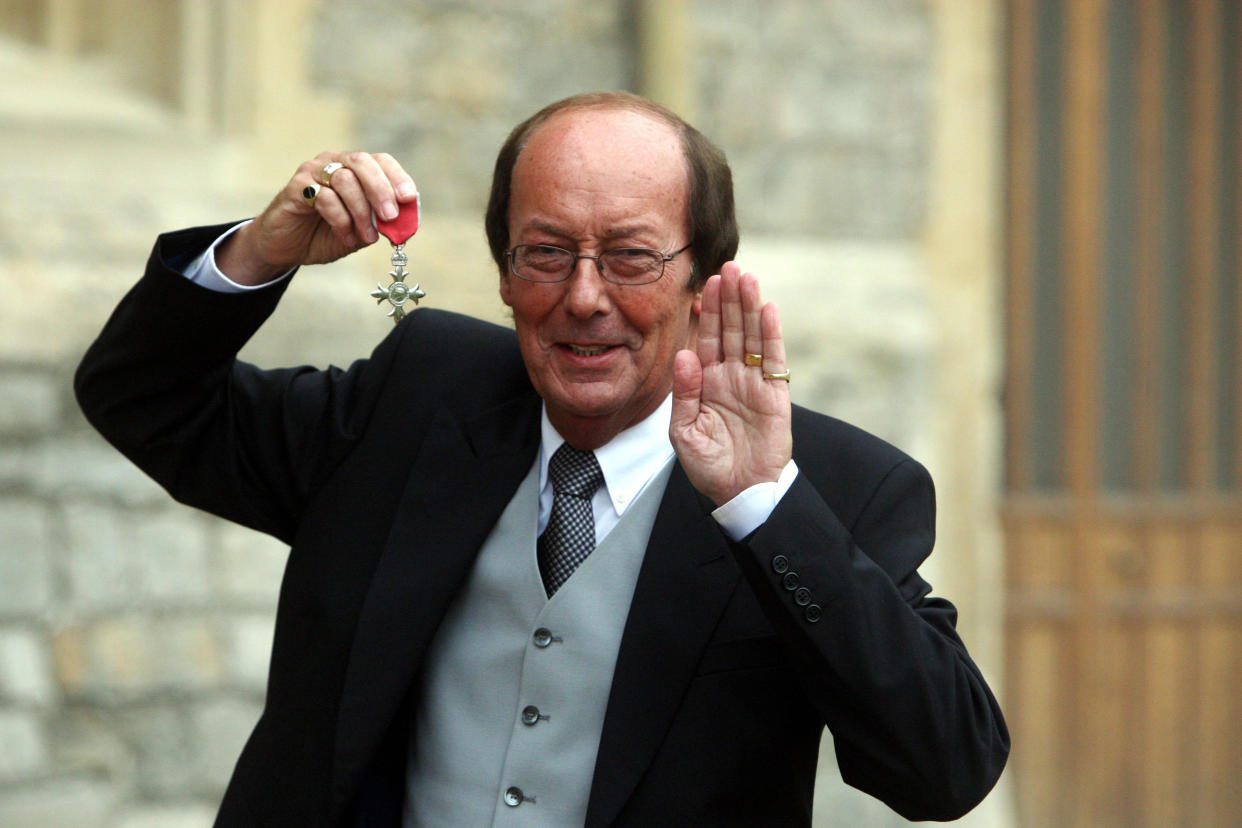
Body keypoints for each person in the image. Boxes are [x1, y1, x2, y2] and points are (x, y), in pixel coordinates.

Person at [76, 92, 1007, 826]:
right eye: (547, 253)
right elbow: (145, 401)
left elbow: (945, 769)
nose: (584, 298)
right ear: (503, 271)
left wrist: (762, 507)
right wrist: (257, 252)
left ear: (704, 274)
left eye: (632, 257)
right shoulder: (419, 399)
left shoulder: (831, 487)